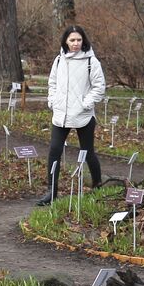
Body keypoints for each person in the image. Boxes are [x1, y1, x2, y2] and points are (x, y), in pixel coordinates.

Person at [38, 25, 106, 205]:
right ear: (65, 42)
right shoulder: (59, 60)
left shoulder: (91, 61)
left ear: (83, 40)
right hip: (61, 115)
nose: (76, 43)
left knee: (88, 152)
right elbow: (52, 83)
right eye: (72, 40)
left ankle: (97, 187)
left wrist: (86, 103)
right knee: (54, 151)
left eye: (79, 40)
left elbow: (99, 86)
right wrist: (53, 101)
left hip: (83, 115)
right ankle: (51, 192)